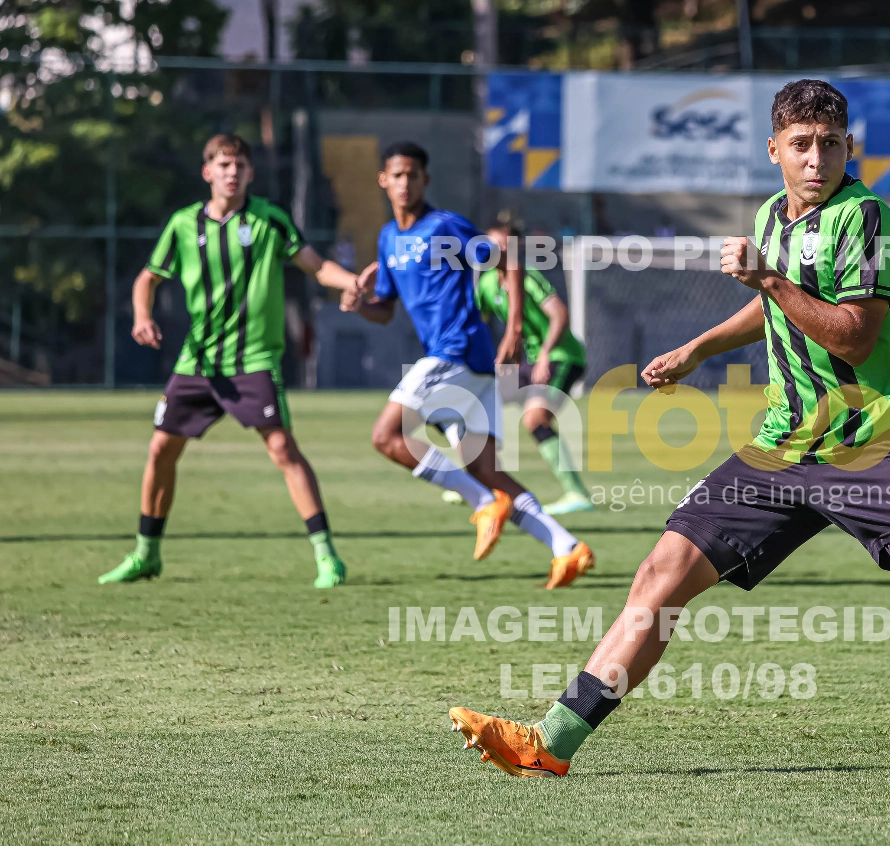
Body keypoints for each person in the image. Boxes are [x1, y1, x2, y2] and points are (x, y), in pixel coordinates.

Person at [446, 80, 890, 783]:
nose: (816, 159)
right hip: (780, 446)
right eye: (801, 144)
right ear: (774, 149)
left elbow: (855, 335)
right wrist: (701, 346)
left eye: (829, 144)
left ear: (848, 145)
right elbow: (777, 310)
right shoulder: (770, 218)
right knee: (659, 579)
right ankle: (552, 738)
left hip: (866, 444)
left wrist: (767, 279)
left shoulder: (870, 220)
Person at [98, 134, 360, 588]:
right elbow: (147, 278)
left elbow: (315, 265)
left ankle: (327, 557)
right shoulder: (183, 224)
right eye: (223, 164)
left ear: (251, 172)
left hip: (252, 359)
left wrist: (349, 282)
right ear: (207, 172)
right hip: (197, 362)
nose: (232, 172)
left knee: (282, 449)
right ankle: (145, 554)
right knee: (161, 449)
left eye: (239, 164)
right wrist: (142, 315)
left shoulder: (269, 220)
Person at [339, 141, 594, 589]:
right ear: (383, 179)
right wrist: (361, 305)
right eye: (396, 175)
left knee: (386, 436)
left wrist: (514, 327)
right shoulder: (387, 238)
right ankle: (567, 548)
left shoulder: (444, 226)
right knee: (487, 468)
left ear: (425, 180)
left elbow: (509, 259)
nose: (404, 183)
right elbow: (384, 309)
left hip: (454, 354)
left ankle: (481, 503)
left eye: (412, 175)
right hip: (470, 370)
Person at [473, 220, 592, 516]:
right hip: (528, 360)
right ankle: (476, 483)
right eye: (491, 243)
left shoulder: (528, 277)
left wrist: (544, 356)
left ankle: (576, 493)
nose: (496, 249)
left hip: (561, 357)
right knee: (479, 407)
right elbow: (476, 324)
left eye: (503, 244)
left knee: (535, 420)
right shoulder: (488, 283)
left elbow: (559, 315)